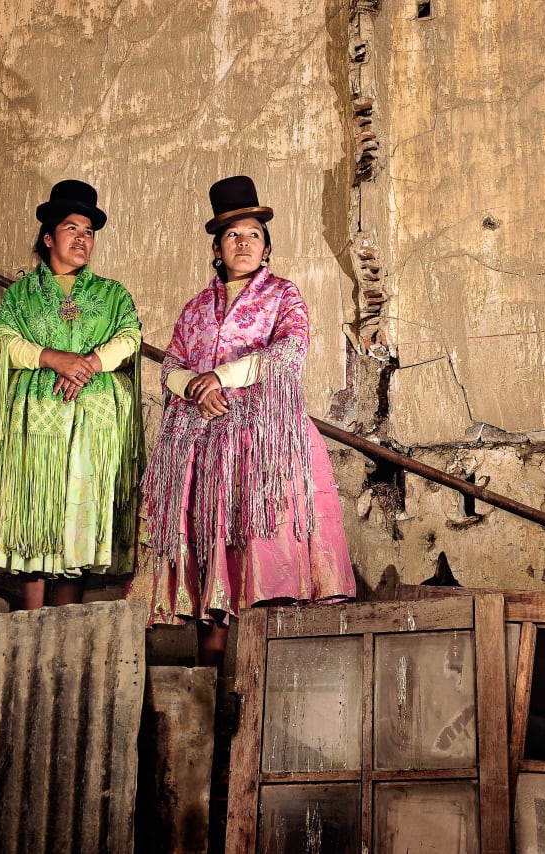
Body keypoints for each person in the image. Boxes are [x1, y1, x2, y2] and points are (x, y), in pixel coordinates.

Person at [134, 175, 355, 665]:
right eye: (233, 235)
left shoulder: (284, 295)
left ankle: (258, 679)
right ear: (217, 247)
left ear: (267, 247)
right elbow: (170, 364)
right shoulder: (194, 308)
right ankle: (210, 679)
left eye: (253, 234)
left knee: (263, 555)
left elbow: (290, 350)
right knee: (212, 563)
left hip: (263, 444)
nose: (243, 242)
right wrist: (193, 385)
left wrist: (219, 376)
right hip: (201, 447)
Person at [0, 179, 143, 609]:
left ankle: (67, 620)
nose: (82, 238)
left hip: (92, 424)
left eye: (88, 232)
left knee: (79, 516)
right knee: (37, 507)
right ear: (48, 237)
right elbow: (2, 342)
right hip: (36, 422)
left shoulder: (112, 294)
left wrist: (89, 364)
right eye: (71, 228)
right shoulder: (20, 295)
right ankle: (29, 619)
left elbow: (130, 337)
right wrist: (51, 357)